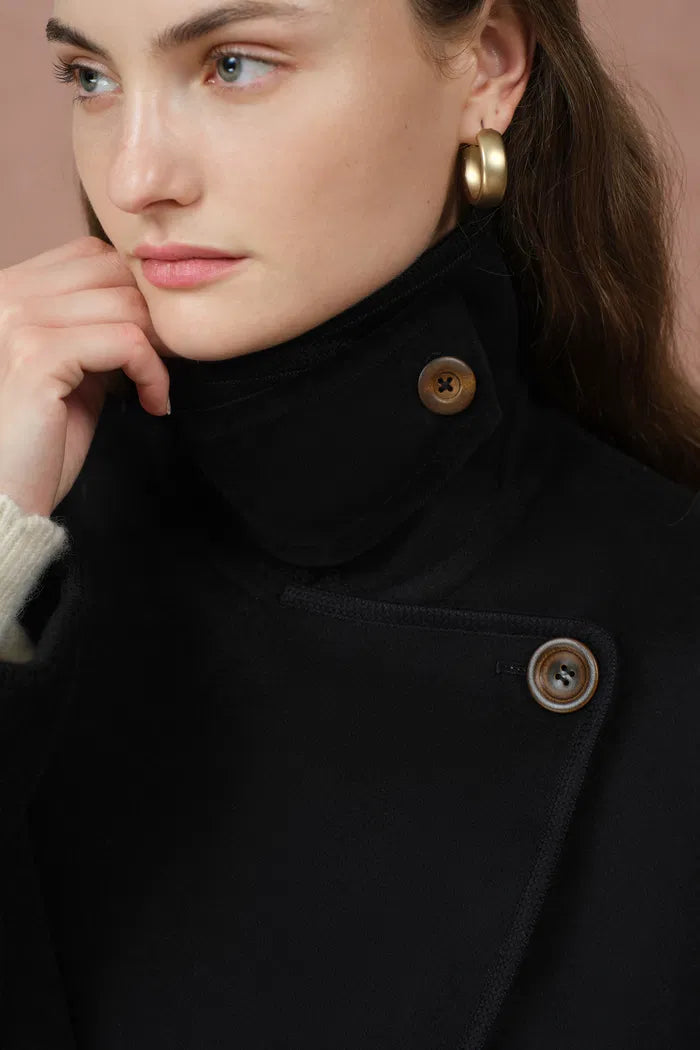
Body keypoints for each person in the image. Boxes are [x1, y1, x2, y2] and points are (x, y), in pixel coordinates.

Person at [0, 0, 698, 1046]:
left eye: (235, 64)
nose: (137, 180)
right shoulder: (28, 560)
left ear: (485, 67)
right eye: (91, 80)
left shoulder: (671, 622)